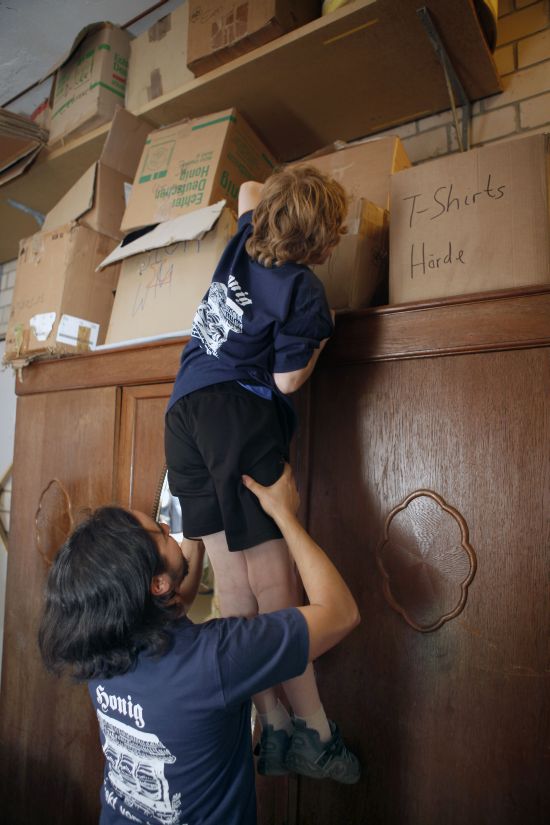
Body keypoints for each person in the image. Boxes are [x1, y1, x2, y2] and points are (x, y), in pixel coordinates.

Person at [164, 166, 359, 780]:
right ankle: (315, 734)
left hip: (183, 413)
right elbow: (286, 380)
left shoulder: (245, 237)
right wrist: (320, 339)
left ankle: (271, 726)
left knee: (234, 590)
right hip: (237, 416)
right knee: (276, 592)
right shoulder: (303, 288)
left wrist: (288, 191)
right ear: (321, 242)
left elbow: (251, 188)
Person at [39, 465, 360, 825]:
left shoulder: (99, 649)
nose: (167, 528)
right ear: (157, 585)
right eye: (159, 531)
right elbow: (340, 613)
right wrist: (285, 515)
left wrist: (199, 518)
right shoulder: (214, 659)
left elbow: (175, 599)